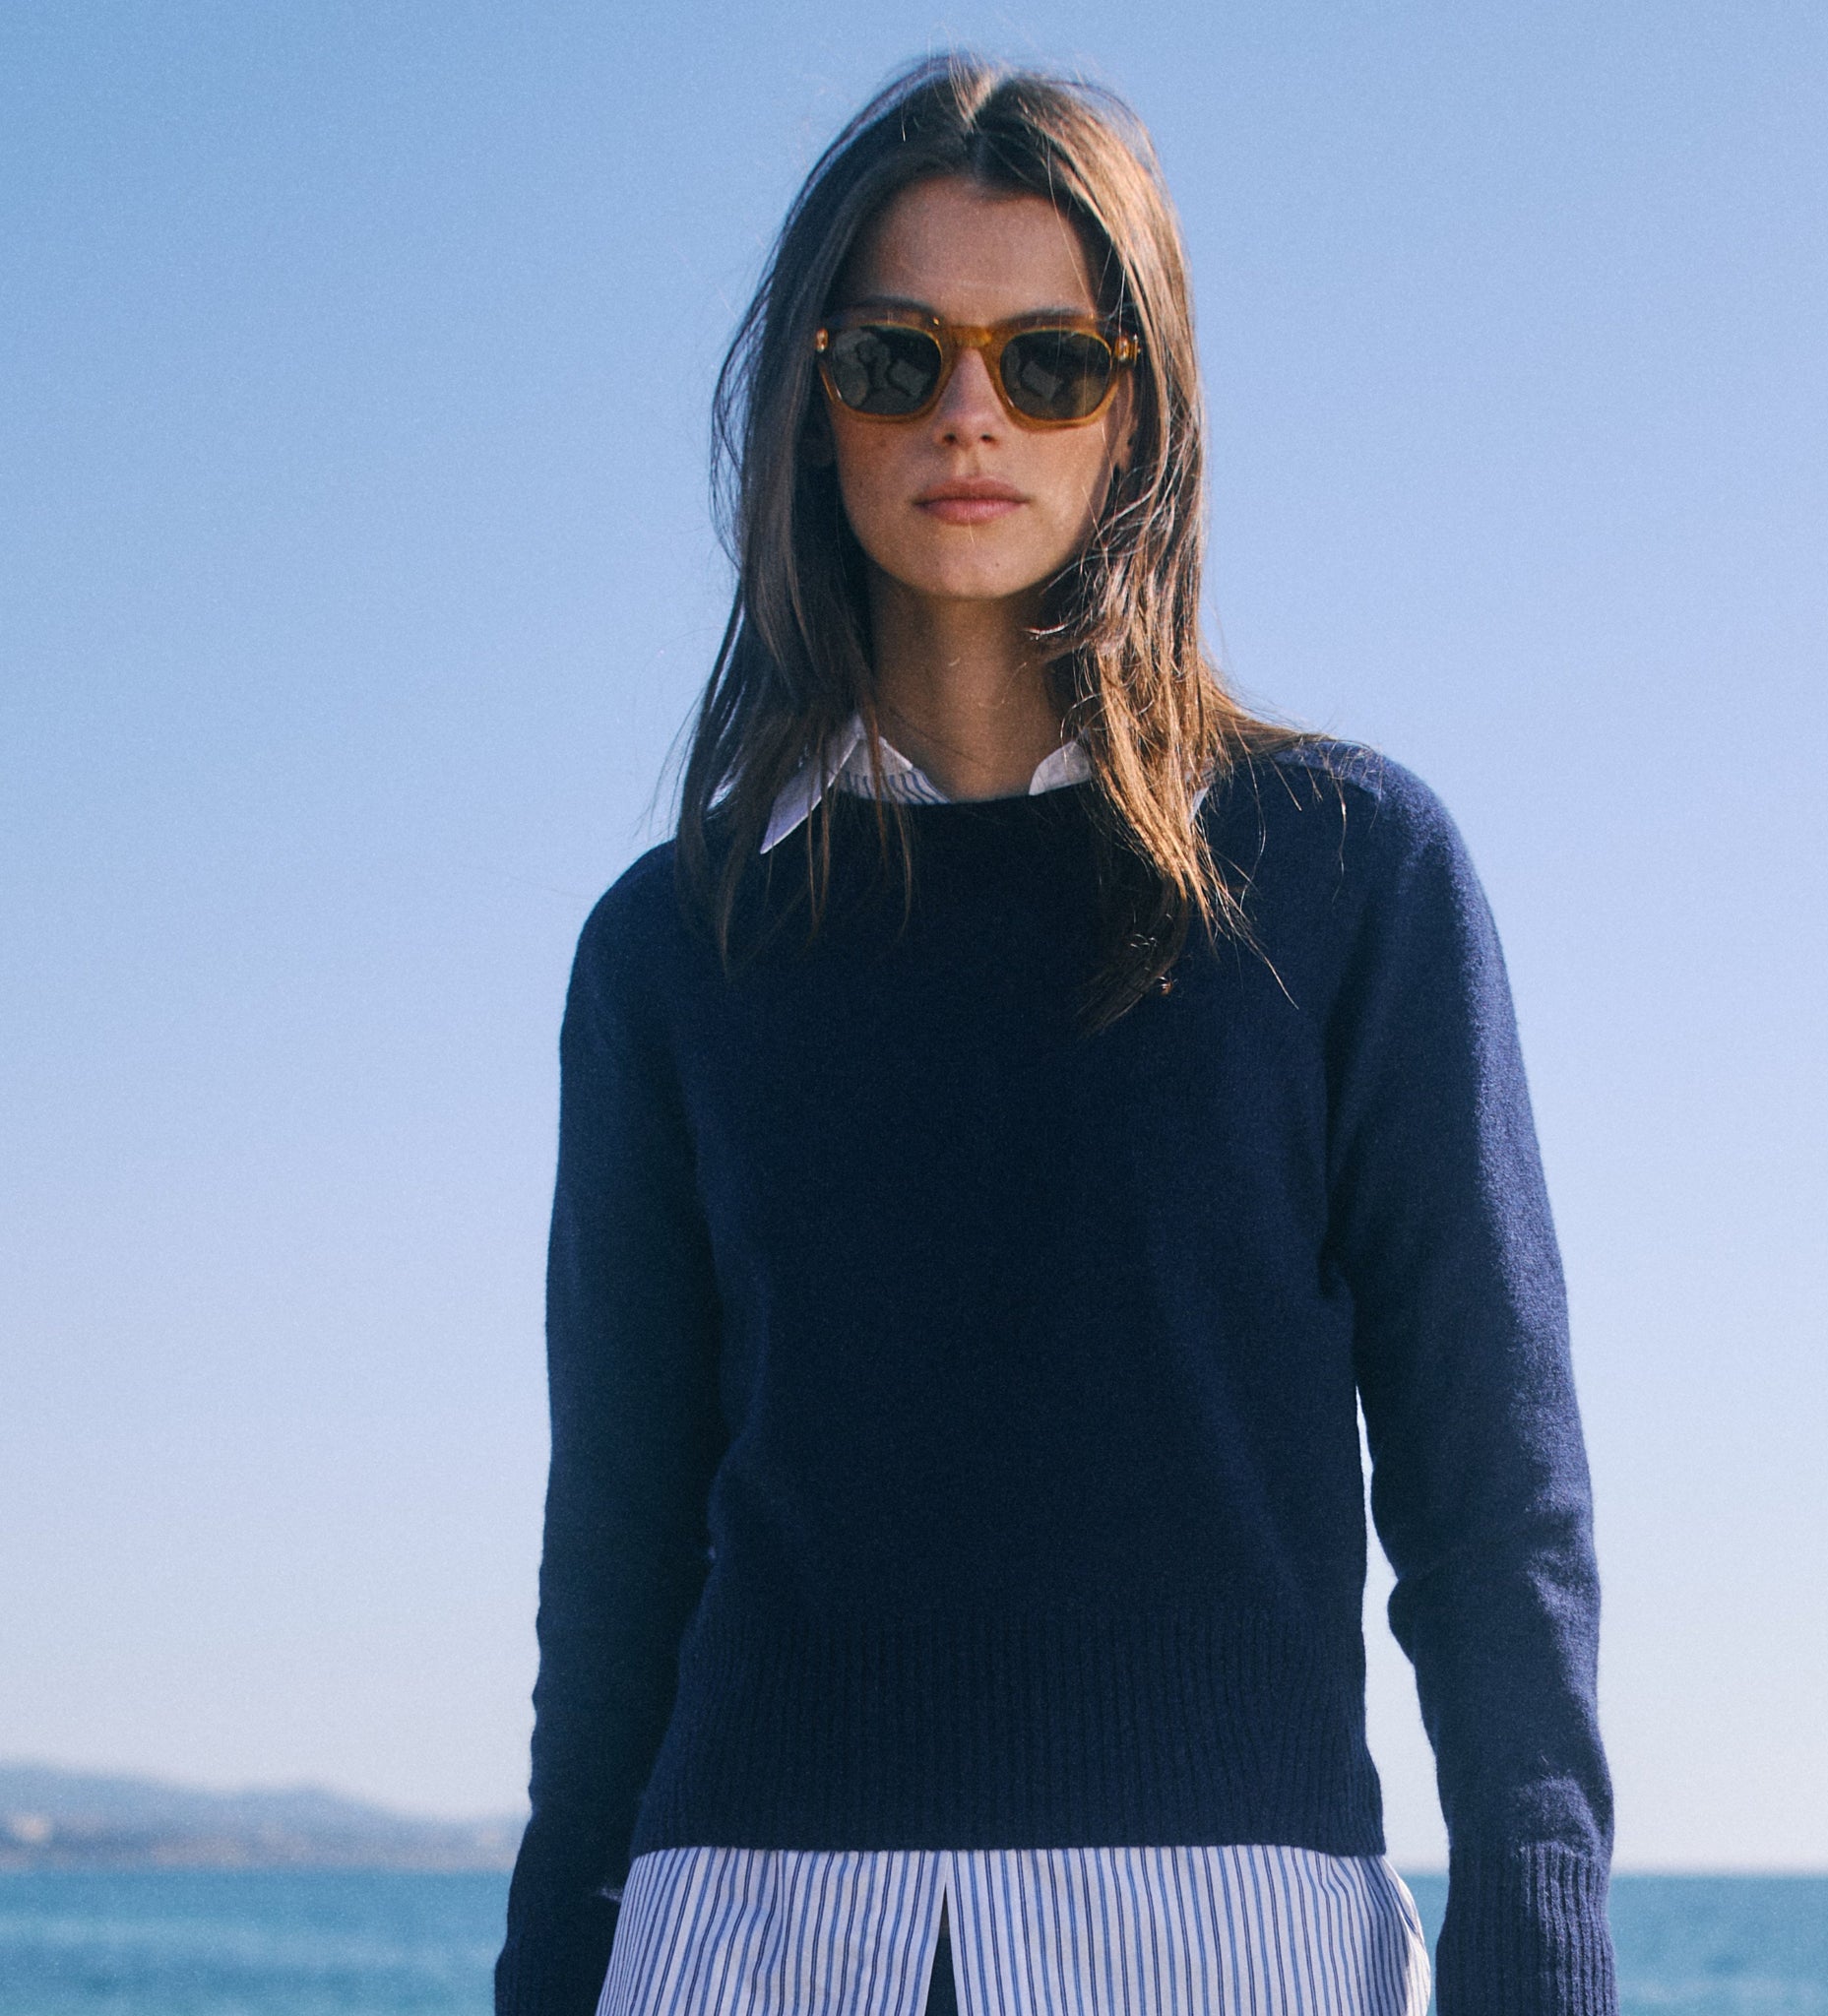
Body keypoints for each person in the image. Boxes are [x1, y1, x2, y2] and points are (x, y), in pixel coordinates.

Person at [494, 52, 1616, 2016]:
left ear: (1139, 407)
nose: (967, 417)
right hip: (746, 1950)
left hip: (1227, 1950)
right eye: (892, 358)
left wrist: (1539, 1949)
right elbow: (614, 1594)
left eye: (1047, 360)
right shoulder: (671, 954)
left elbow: (1489, 1508)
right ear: (808, 407)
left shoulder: (1350, 877)